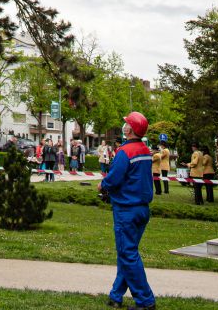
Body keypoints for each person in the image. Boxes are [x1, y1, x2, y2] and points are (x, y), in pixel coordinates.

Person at [99, 111, 155, 310]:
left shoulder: (125, 151)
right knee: (127, 253)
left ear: (130, 129)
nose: (124, 127)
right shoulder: (145, 151)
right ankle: (116, 296)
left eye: (126, 124)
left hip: (126, 210)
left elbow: (114, 178)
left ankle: (146, 300)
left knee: (127, 253)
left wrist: (102, 184)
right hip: (142, 209)